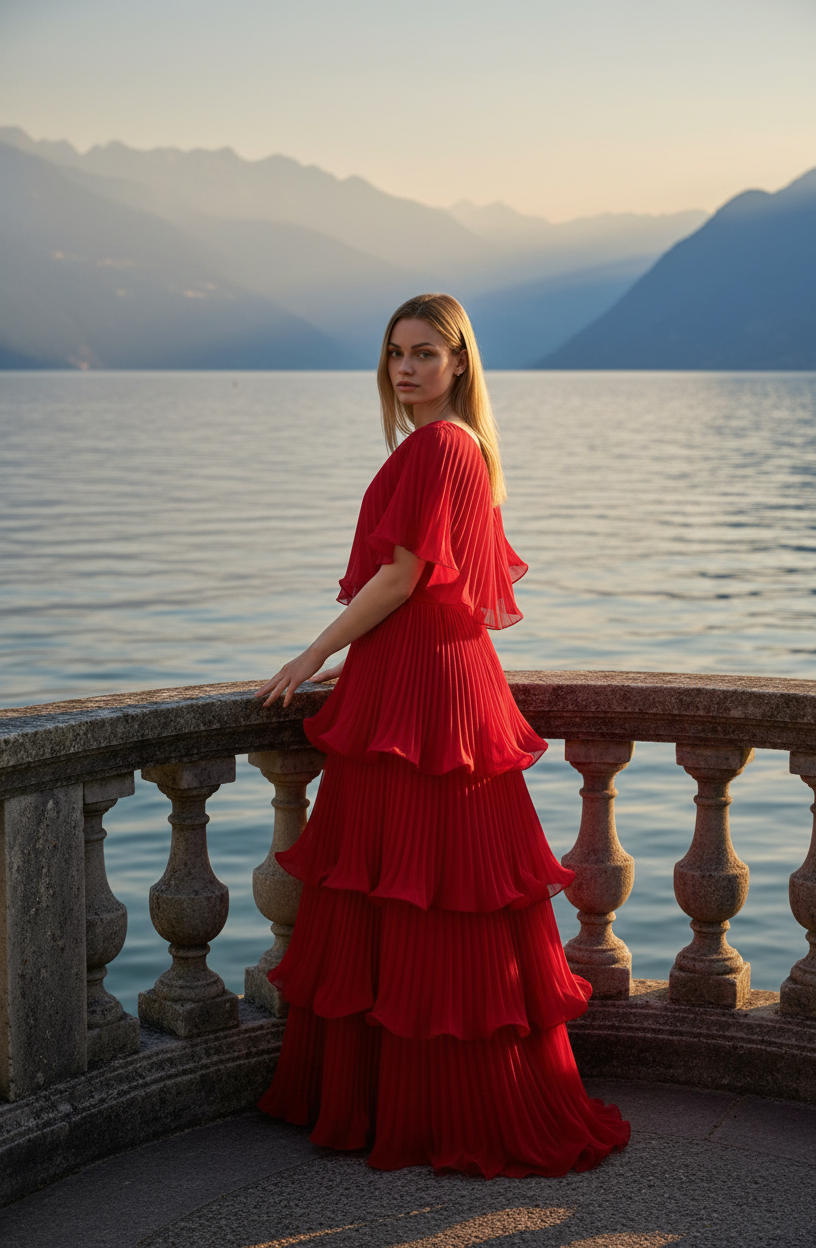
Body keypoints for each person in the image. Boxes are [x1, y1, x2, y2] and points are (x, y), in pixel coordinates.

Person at [254, 293, 630, 1177]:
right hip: (431, 675)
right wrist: (361, 662)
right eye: (396, 353)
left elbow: (401, 578)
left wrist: (311, 654)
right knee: (435, 885)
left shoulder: (436, 447)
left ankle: (413, 1106)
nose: (406, 368)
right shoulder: (467, 447)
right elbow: (423, 588)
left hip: (423, 688)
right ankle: (424, 1101)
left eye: (425, 352)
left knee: (414, 883)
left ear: (460, 361)